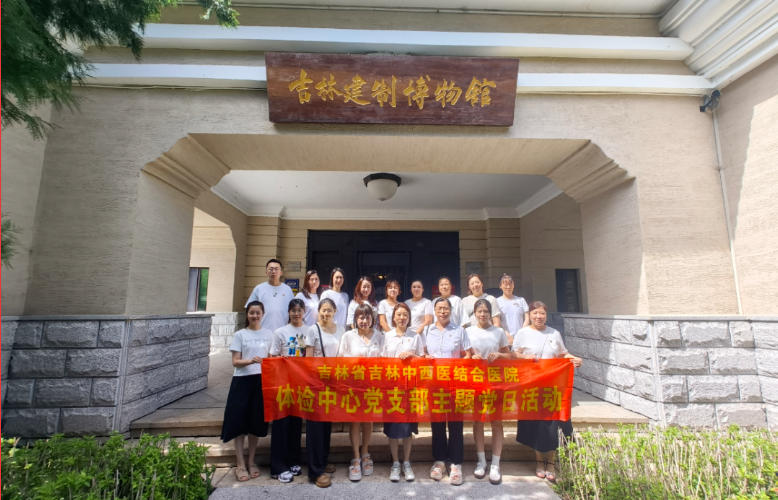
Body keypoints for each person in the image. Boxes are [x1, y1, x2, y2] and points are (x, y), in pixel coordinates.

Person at [512, 300, 582, 483]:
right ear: (530, 315)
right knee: (535, 425)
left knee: (551, 425)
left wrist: (573, 358)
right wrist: (525, 357)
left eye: (542, 313)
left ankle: (550, 463)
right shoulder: (523, 333)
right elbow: (513, 354)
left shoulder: (554, 333)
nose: (538, 316)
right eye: (535, 313)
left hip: (551, 387)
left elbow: (562, 354)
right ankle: (538, 461)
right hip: (531, 386)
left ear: (546, 315)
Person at [220, 301, 272, 482]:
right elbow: (235, 361)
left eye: (258, 313)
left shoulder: (269, 334)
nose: (255, 316)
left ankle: (251, 461)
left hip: (261, 381)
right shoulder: (240, 335)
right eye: (252, 313)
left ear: (263, 314)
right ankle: (240, 464)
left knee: (255, 422)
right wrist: (251, 361)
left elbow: (271, 358)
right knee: (239, 422)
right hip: (242, 381)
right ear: (247, 314)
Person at [425, 298, 475, 486]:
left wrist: (463, 362)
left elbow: (468, 354)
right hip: (435, 384)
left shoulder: (459, 330)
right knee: (437, 423)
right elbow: (422, 353)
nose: (442, 311)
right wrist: (426, 357)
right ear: (434, 310)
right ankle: (439, 461)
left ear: (451, 310)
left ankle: (456, 463)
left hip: (455, 383)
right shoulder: (428, 330)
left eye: (446, 308)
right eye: (439, 308)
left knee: (455, 424)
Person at [465, 299, 511, 485]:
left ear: (490, 314)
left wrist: (499, 355)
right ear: (474, 313)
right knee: (478, 421)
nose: (482, 314)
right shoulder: (468, 331)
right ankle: (481, 461)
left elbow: (509, 355)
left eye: (485, 311)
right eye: (479, 311)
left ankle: (495, 464)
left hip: (495, 380)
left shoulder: (498, 332)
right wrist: (471, 357)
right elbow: (463, 355)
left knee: (496, 422)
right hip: (476, 380)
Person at [337, 303, 384, 482]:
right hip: (354, 385)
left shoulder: (379, 336)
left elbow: (384, 359)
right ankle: (356, 457)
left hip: (372, 386)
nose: (364, 320)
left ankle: (365, 453)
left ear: (372, 319)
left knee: (368, 420)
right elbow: (340, 359)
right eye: (361, 317)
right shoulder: (348, 336)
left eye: (367, 317)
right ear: (356, 319)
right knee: (355, 420)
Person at [303, 298, 345, 488]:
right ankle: (315, 471)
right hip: (317, 383)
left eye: (329, 310)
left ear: (335, 312)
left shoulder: (340, 329)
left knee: (326, 425)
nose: (326, 313)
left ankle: (323, 460)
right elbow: (308, 360)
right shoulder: (313, 330)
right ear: (318, 311)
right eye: (323, 310)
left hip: (333, 383)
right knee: (315, 428)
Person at [381, 302, 424, 482]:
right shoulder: (387, 336)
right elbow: (382, 361)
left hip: (410, 388)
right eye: (398, 314)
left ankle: (406, 462)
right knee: (392, 428)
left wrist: (412, 356)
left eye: (405, 315)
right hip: (392, 388)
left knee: (408, 428)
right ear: (393, 317)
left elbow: (422, 359)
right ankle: (395, 463)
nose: (402, 318)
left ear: (409, 318)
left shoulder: (415, 336)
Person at [268, 299, 308, 483]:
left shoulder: (310, 331)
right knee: (281, 424)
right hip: (283, 384)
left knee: (296, 424)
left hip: (300, 385)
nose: (296, 313)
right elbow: (272, 357)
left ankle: (293, 460)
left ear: (304, 312)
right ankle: (277, 466)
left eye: (299, 310)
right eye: (293, 310)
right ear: (289, 312)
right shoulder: (280, 332)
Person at [245, 259, 294, 332]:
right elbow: (249, 309)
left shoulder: (287, 289)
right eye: (271, 269)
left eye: (276, 269)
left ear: (281, 272)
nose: (273, 271)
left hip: (282, 332)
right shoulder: (259, 289)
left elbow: (293, 310)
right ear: (266, 272)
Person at [496, 274, 529, 345]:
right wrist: (507, 335)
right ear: (500, 286)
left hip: (521, 338)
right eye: (505, 284)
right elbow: (497, 321)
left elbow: (527, 317)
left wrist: (522, 333)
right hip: (505, 339)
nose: (508, 287)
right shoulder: (496, 302)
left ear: (513, 285)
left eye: (510, 284)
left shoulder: (521, 300)